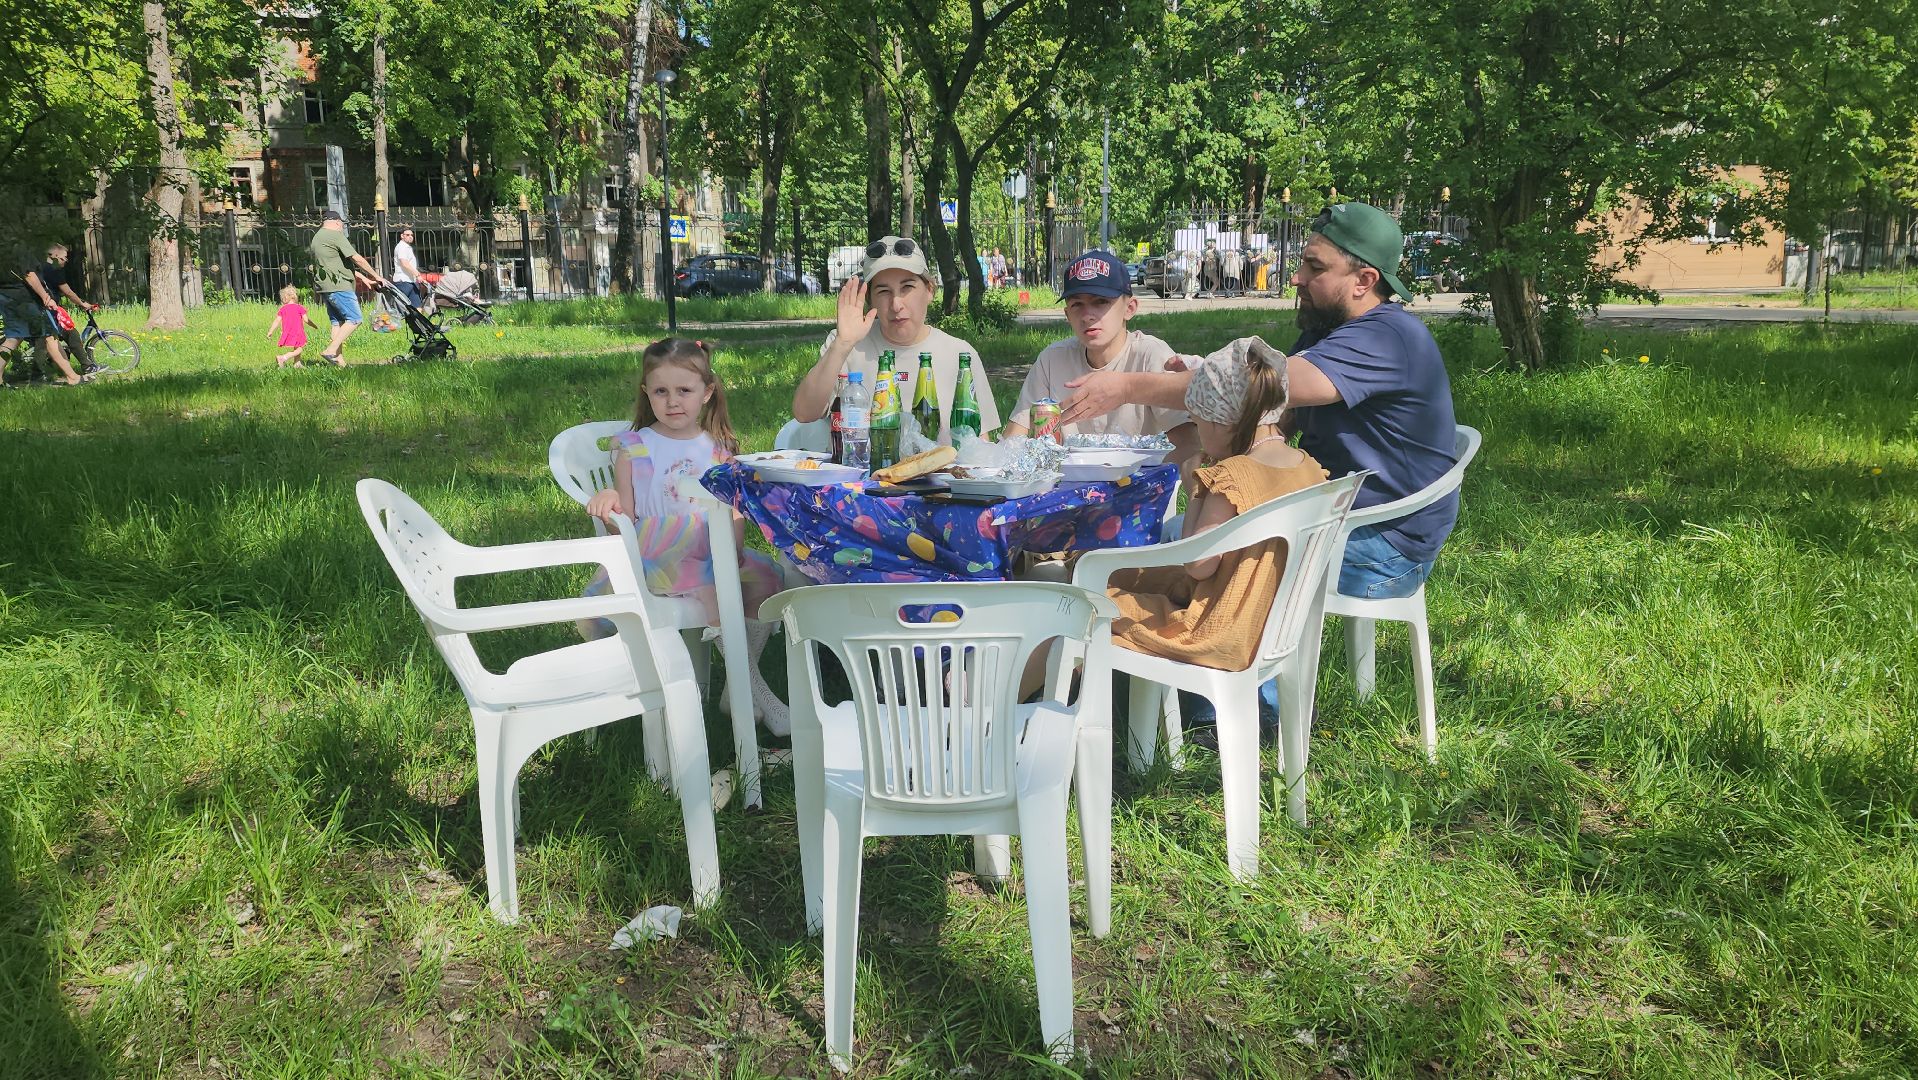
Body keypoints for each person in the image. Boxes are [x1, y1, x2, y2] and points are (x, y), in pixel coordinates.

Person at [1057, 201, 1458, 604]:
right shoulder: (1327, 332)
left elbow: (1255, 389)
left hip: (1383, 547)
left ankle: (1205, 659)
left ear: (1364, 280)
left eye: (1316, 269)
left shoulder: (1388, 337)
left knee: (1189, 559)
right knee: (1153, 545)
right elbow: (1274, 417)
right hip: (1330, 518)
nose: (1297, 278)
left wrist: (1127, 387)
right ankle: (1126, 651)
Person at [582, 338, 789, 732]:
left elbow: (733, 509)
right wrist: (610, 499)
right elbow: (623, 516)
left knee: (765, 579)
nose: (673, 401)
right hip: (657, 556)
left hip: (711, 548)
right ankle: (757, 695)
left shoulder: (717, 448)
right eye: (661, 391)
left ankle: (736, 687)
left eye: (684, 391)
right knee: (706, 579)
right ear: (647, 392)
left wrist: (735, 548)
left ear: (707, 392)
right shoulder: (635, 447)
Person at [1104, 337, 1328, 669]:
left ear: (1219, 422)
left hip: (1215, 632)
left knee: (1081, 602)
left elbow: (1198, 564)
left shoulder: (1231, 478)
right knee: (1124, 573)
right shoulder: (1308, 466)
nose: (1198, 433)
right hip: (1272, 627)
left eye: (1197, 423)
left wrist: (1195, 488)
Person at [793, 235, 1001, 444]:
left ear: (929, 290)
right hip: (862, 475)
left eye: (907, 287)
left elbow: (979, 445)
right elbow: (805, 413)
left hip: (942, 475)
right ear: (870, 300)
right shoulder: (848, 346)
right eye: (883, 292)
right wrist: (842, 344)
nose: (896, 304)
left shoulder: (960, 354)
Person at [1001, 249, 1195, 464]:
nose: (1087, 315)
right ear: (1067, 315)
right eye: (1077, 305)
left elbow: (1188, 441)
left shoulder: (1151, 355)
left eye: (1101, 302)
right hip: (1068, 493)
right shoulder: (1052, 360)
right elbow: (1014, 437)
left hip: (1139, 490)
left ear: (1129, 308)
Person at [0, 247, 88, 387]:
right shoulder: (19, 249)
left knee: (13, 339)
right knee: (50, 336)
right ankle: (73, 377)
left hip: (7, 298)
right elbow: (28, 274)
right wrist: (46, 297)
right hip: (25, 300)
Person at [308, 210, 387, 365]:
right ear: (337, 222)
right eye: (342, 224)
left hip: (326, 286)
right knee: (355, 318)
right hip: (339, 286)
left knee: (337, 322)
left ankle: (339, 362)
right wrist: (376, 275)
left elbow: (336, 265)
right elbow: (356, 258)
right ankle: (331, 350)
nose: (342, 227)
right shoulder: (335, 235)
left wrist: (364, 278)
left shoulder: (318, 238)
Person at [270, 285, 319, 368]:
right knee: (300, 348)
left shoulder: (283, 309)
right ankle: (283, 357)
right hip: (297, 332)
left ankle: (297, 363)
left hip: (288, 332)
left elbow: (277, 320)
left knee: (297, 347)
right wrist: (314, 325)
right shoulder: (299, 308)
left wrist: (270, 331)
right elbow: (306, 320)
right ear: (294, 296)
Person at [390, 226, 423, 309]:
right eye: (407, 235)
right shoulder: (401, 247)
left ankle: (418, 322)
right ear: (402, 236)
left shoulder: (407, 247)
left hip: (411, 281)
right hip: (403, 281)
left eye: (411, 235)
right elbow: (404, 263)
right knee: (400, 307)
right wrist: (417, 274)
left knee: (417, 307)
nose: (410, 236)